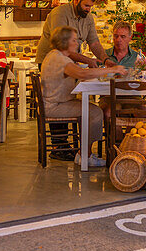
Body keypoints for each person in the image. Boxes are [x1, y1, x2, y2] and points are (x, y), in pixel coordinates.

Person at [40, 26, 126, 168]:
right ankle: (85, 156)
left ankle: (83, 153)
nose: (77, 43)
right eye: (74, 40)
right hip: (54, 106)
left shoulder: (56, 55)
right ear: (65, 42)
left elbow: (78, 73)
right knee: (95, 112)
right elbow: (81, 74)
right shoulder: (60, 60)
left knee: (91, 110)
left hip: (55, 102)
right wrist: (112, 69)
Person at [36, 0, 107, 66]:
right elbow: (62, 48)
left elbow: (94, 43)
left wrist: (106, 60)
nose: (89, 10)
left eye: (91, 6)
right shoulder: (60, 13)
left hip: (69, 62)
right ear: (76, 0)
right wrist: (88, 60)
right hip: (50, 63)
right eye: (86, 5)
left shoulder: (88, 17)